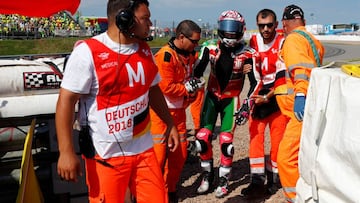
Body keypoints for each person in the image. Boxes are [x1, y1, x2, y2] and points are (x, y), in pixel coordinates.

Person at [55, 0, 179, 203]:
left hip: (144, 150)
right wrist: (66, 151)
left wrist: (170, 123)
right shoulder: (88, 52)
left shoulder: (144, 50)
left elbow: (153, 88)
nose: (150, 24)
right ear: (125, 19)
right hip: (105, 155)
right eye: (145, 18)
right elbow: (66, 102)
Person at [193, 10, 259, 198]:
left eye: (234, 29)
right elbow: (196, 72)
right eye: (226, 28)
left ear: (241, 30)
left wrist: (247, 105)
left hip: (232, 98)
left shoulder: (248, 53)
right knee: (202, 138)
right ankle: (207, 175)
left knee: (226, 142)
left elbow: (256, 82)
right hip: (212, 97)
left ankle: (224, 179)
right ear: (219, 28)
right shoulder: (209, 47)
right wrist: (193, 82)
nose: (230, 33)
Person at [150, 19, 204, 203]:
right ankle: (153, 194)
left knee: (179, 155)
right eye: (194, 41)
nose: (196, 45)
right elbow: (166, 87)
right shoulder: (166, 56)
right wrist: (188, 88)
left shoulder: (188, 54)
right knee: (157, 158)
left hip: (179, 113)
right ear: (181, 37)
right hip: (160, 115)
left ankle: (170, 189)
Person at [276, 4, 324, 202]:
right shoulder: (313, 40)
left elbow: (301, 70)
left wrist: (300, 97)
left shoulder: (293, 39)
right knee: (304, 157)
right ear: (303, 21)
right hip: (310, 106)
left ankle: (295, 197)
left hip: (300, 111)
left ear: (285, 22)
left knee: (285, 158)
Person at [240, 9, 288, 198]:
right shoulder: (253, 41)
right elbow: (253, 68)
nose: (266, 29)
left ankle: (273, 178)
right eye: (262, 25)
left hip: (277, 92)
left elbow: (282, 75)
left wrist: (268, 96)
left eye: (269, 25)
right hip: (259, 92)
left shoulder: (283, 40)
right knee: (255, 137)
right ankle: (257, 181)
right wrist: (247, 68)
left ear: (276, 25)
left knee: (278, 140)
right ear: (257, 25)